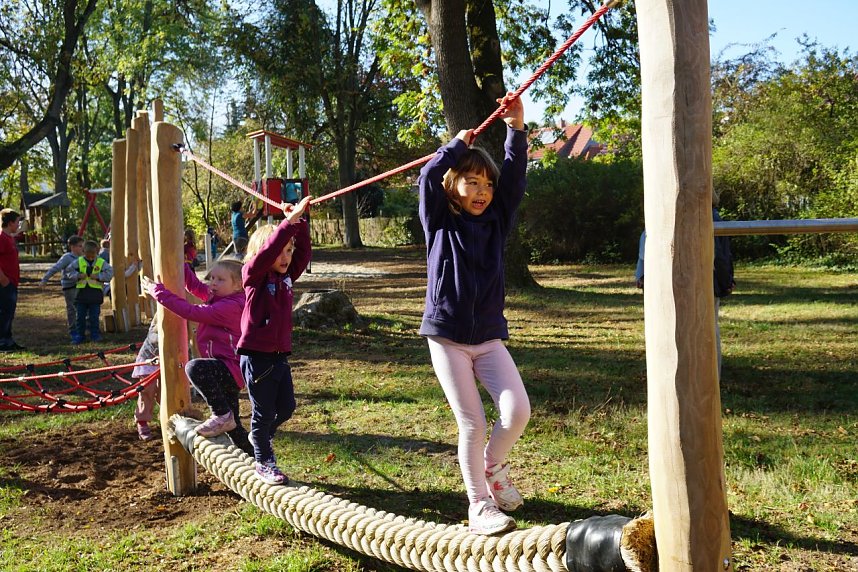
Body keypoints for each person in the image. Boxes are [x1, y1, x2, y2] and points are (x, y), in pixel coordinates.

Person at [416, 92, 531, 536]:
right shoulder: (439, 220)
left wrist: (515, 129)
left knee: (517, 412)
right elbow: (428, 176)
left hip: (487, 338)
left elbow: (514, 178)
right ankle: (479, 505)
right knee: (473, 422)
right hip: (447, 338)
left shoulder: (497, 220)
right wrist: (454, 147)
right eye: (472, 182)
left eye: (487, 185)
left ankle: (493, 466)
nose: (482, 191)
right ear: (453, 186)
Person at [141, 258, 252, 454]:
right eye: (212, 278)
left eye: (220, 280)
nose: (213, 283)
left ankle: (221, 414)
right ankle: (258, 459)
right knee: (234, 427)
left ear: (238, 285)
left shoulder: (231, 306)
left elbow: (190, 311)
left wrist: (157, 292)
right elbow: (195, 286)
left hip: (229, 368)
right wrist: (179, 260)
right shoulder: (219, 297)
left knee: (195, 368)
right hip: (226, 369)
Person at [238, 195, 311, 485]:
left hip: (279, 355)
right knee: (264, 411)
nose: (285, 257)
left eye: (288, 251)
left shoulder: (287, 277)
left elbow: (304, 253)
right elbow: (267, 254)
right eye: (280, 252)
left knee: (287, 407)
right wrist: (287, 223)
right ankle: (264, 461)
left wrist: (299, 222)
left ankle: (260, 435)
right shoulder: (253, 276)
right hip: (256, 356)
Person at [634, 206, 735, 375]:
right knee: (706, 330)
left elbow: (646, 242)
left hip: (686, 282)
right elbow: (720, 255)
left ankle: (702, 376)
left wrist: (641, 274)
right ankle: (701, 375)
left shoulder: (661, 211)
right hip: (694, 283)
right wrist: (725, 282)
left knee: (696, 330)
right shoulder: (709, 216)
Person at [40, 235, 85, 343]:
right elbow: (55, 268)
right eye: (80, 246)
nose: (82, 248)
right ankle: (73, 331)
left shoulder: (83, 257)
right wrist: (45, 279)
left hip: (81, 286)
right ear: (72, 247)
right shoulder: (67, 258)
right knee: (72, 309)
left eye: (82, 246)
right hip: (70, 287)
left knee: (81, 308)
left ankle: (82, 329)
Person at [69, 239, 114, 344]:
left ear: (96, 252)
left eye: (92, 256)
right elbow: (68, 272)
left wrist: (99, 276)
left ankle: (95, 334)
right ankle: (80, 335)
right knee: (80, 317)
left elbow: (110, 272)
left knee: (94, 317)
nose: (90, 258)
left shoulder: (101, 262)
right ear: (83, 252)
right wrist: (78, 275)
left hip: (95, 295)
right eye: (88, 256)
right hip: (81, 294)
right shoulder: (78, 261)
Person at [0, 209, 24, 352]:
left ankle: (8, 340)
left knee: (9, 312)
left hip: (12, 282)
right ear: (10, 223)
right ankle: (2, 342)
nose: (18, 225)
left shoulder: (10, 237)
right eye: (17, 222)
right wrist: (3, 279)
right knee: (4, 312)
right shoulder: (1, 237)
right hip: (5, 283)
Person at [132, 317, 160, 441]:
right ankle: (142, 420)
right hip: (149, 361)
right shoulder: (156, 327)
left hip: (167, 362)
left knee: (166, 392)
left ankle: (168, 416)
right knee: (147, 391)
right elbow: (156, 340)